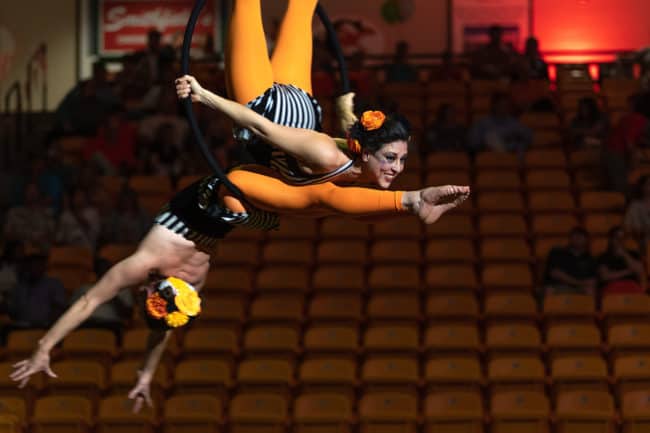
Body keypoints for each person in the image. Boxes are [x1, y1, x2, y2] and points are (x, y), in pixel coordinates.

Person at [10, 167, 470, 410]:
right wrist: (146, 375)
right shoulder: (189, 287)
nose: (180, 298)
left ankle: (411, 199)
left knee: (313, 199)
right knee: (321, 206)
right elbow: (163, 331)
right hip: (244, 211)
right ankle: (407, 202)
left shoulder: (143, 263)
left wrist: (45, 347)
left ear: (150, 290)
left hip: (214, 194)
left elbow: (89, 300)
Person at [179, 0, 410, 189]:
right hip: (265, 109)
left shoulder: (357, 156)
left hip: (299, 106)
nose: (397, 168)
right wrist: (204, 95)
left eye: (401, 159)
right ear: (368, 154)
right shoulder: (328, 157)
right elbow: (261, 126)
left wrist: (343, 111)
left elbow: (356, 138)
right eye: (390, 158)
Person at [542, 227, 598, 297]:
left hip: (579, 288)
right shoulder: (557, 253)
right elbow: (556, 274)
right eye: (575, 235)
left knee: (590, 290)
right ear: (570, 238)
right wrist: (579, 282)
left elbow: (592, 281)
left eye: (581, 236)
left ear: (587, 239)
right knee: (549, 289)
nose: (578, 238)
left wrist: (581, 284)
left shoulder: (590, 259)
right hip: (559, 286)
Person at [597, 226, 644, 295]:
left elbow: (639, 271)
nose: (620, 240)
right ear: (611, 239)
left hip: (632, 287)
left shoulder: (633, 254)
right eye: (617, 237)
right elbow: (605, 276)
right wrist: (628, 271)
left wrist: (624, 255)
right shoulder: (604, 256)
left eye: (623, 238)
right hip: (612, 287)